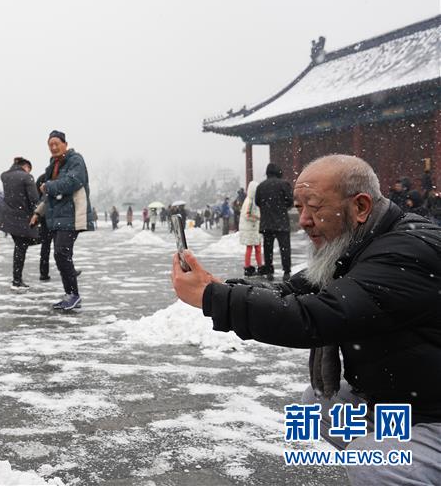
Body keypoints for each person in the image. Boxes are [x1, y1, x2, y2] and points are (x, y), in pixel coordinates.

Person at [171, 155, 441, 486]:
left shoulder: (405, 252)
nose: (304, 221)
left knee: (375, 462)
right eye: (299, 208)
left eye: (314, 207)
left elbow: (316, 315)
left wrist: (211, 298)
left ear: (360, 206)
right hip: (411, 399)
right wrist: (219, 289)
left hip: (433, 413)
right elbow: (293, 291)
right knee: (320, 404)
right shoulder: (361, 243)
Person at [30, 130, 93, 310]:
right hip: (57, 217)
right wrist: (38, 213)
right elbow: (49, 196)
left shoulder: (75, 160)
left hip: (72, 216)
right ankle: (70, 294)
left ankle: (73, 294)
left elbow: (72, 182)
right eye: (50, 144)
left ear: (65, 144)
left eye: (56, 143)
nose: (53, 147)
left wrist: (48, 186)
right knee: (61, 255)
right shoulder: (53, 165)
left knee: (61, 253)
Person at [0, 157, 40, 288]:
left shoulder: (5, 176)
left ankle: (17, 278)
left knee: (20, 247)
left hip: (9, 218)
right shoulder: (27, 177)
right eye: (29, 169)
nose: (29, 172)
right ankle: (17, 280)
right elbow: (34, 199)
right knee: (21, 247)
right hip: (23, 218)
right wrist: (38, 213)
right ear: (26, 166)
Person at [255, 162, 294, 281]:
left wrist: (267, 208)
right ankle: (286, 271)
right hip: (282, 222)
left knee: (268, 249)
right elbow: (290, 201)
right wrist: (282, 207)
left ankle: (269, 271)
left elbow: (257, 202)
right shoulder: (284, 184)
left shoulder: (261, 186)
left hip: (266, 222)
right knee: (285, 248)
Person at [238, 180, 263, 276]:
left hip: (252, 228)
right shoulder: (250, 201)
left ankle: (252, 266)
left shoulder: (250, 200)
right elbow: (247, 215)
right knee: (253, 248)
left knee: (255, 248)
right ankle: (254, 267)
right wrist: (258, 218)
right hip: (251, 228)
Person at [36, 174, 54, 281]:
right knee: (62, 247)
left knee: (45, 247)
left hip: (45, 218)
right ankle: (68, 270)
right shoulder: (57, 178)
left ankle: (44, 272)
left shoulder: (42, 178)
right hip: (54, 217)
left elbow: (37, 198)